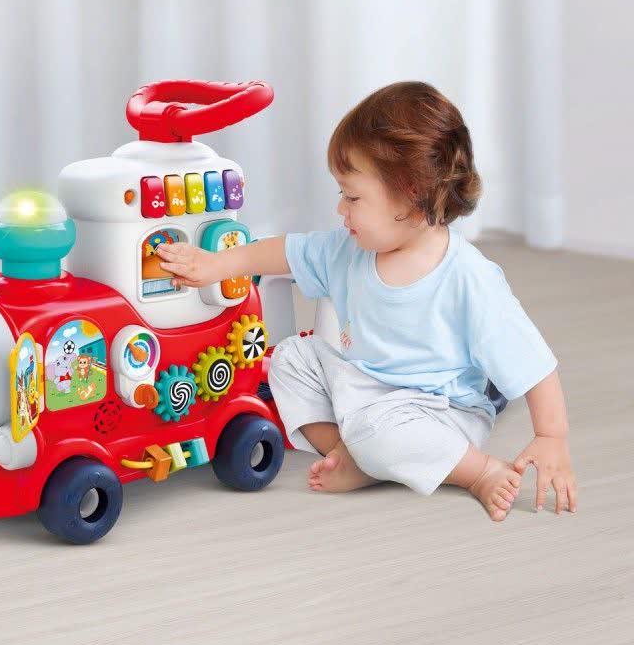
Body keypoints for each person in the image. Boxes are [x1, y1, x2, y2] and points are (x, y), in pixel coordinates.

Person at [155, 81, 577, 521]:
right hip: (362, 381)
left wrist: (551, 436)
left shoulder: (468, 277)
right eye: (342, 194)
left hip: (435, 410)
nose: (341, 209)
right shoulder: (348, 249)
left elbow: (532, 361)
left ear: (412, 194)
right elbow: (284, 252)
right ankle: (347, 452)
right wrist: (215, 265)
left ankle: (476, 471)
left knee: (387, 436)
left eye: (353, 197)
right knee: (290, 359)